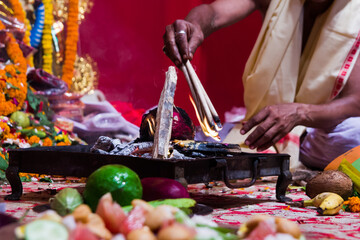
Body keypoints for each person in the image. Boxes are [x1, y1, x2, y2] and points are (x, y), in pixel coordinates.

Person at [163, 0, 360, 170]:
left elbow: (355, 102)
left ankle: (268, 148)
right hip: (265, 121)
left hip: (321, 128)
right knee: (167, 125)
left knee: (354, 134)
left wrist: (300, 113)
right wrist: (192, 24)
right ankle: (263, 145)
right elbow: (214, 13)